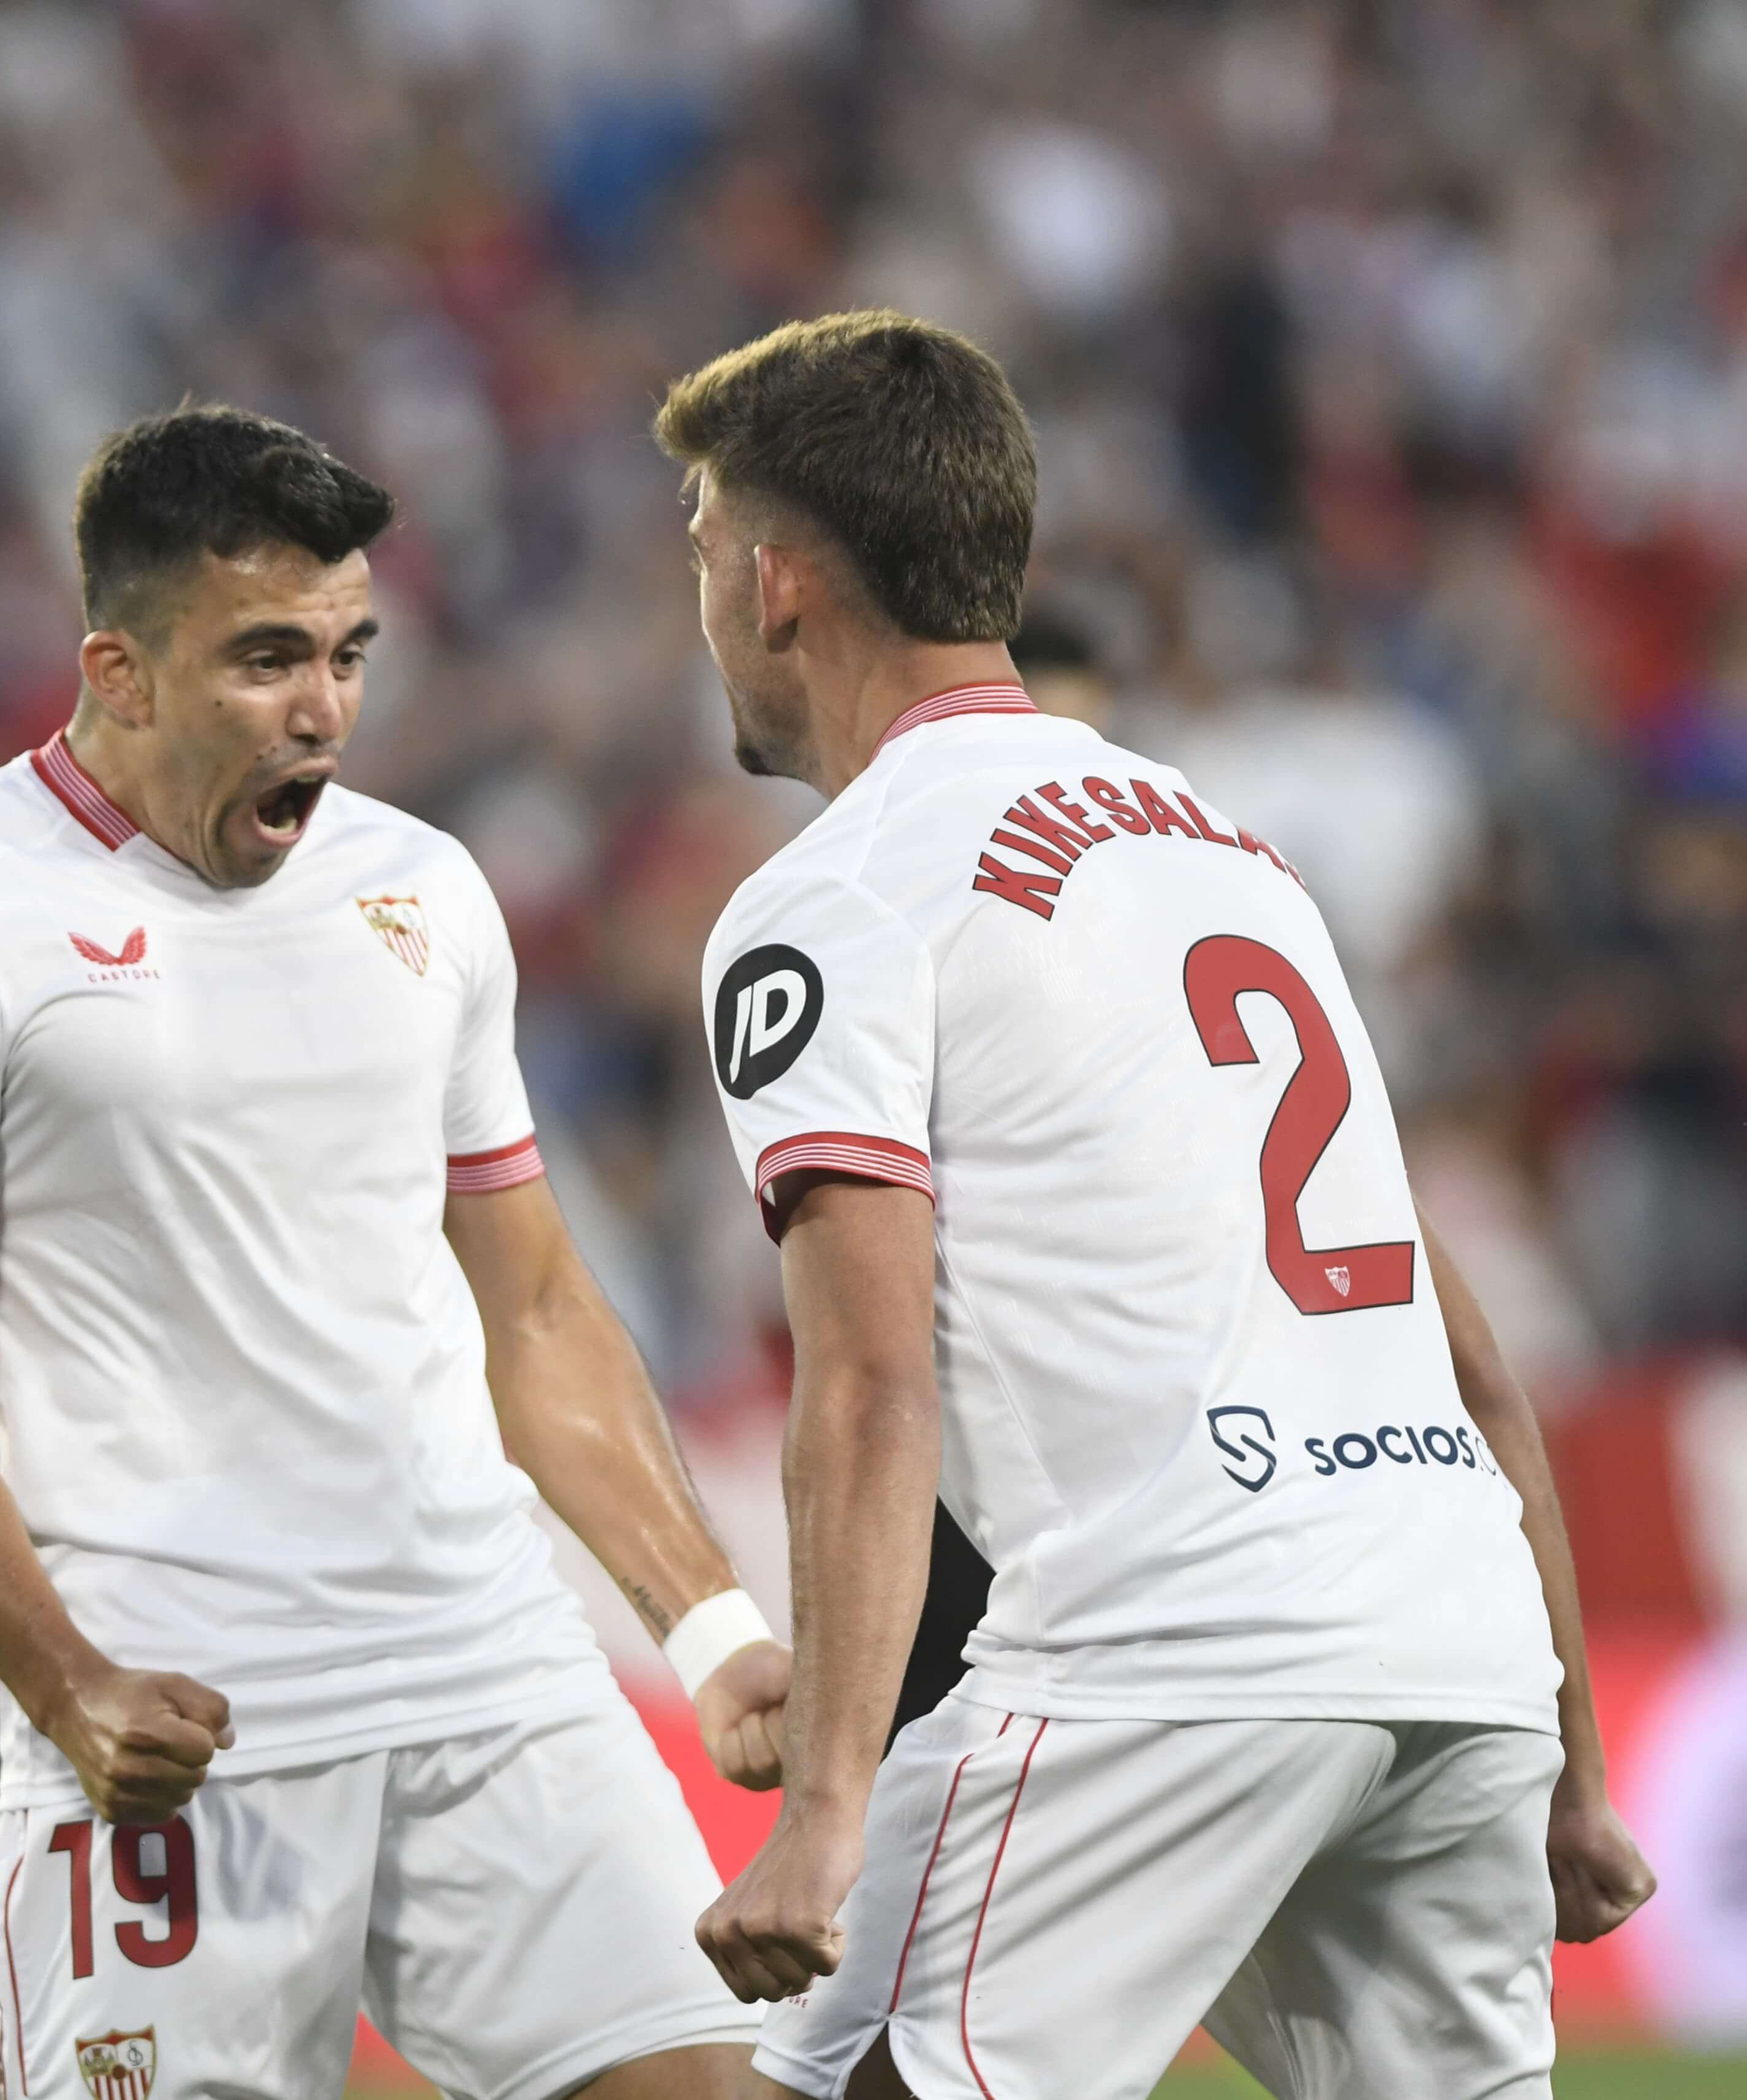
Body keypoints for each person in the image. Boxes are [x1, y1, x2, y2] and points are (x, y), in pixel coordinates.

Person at [658, 311, 1655, 2100]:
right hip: (1454, 1640)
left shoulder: (838, 901)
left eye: (703, 554)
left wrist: (825, 1814)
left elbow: (872, 1385)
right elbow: (1467, 1354)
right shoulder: (1231, 853)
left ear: (779, 579)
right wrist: (1571, 1754)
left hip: (1164, 1651)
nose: (706, 605)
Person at [0, 405, 790, 2100]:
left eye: (347, 652)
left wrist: (707, 1627)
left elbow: (536, 1310)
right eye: (264, 660)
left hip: (486, 1669)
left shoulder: (425, 895)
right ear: (118, 669)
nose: (322, 708)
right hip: (183, 1726)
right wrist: (66, 1683)